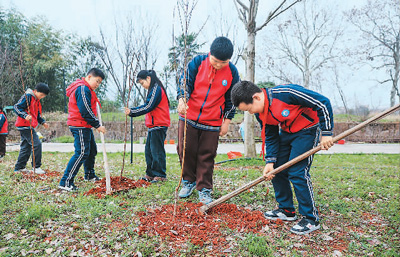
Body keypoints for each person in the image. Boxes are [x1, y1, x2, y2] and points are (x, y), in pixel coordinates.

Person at [231, 80, 334, 235]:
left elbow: (322, 102)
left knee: (297, 172)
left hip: (307, 130)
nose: (251, 113)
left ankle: (310, 218)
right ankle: (286, 209)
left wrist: (326, 133)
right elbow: (271, 135)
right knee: (277, 169)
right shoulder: (261, 113)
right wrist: (270, 161)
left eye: (249, 109)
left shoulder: (286, 93)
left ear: (256, 98)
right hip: (287, 132)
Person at [177, 36, 240, 204]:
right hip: (189, 116)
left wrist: (226, 122)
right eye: (215, 61)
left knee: (207, 154)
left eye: (223, 62)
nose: (218, 65)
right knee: (185, 150)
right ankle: (188, 181)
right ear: (209, 53)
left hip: (212, 120)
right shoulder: (197, 62)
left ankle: (204, 188)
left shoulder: (233, 73)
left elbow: (231, 100)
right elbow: (185, 83)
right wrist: (182, 99)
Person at [59, 68, 106, 191]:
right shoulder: (82, 89)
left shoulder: (86, 89)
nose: (98, 84)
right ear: (89, 77)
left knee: (91, 151)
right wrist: (97, 125)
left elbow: (88, 105)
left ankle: (89, 175)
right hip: (79, 124)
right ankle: (65, 182)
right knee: (82, 152)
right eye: (97, 81)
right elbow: (85, 110)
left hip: (84, 125)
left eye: (100, 83)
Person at [124, 70, 170, 183]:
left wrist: (132, 112)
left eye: (142, 83)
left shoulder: (156, 89)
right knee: (149, 151)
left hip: (159, 124)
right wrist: (132, 111)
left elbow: (148, 106)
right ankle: (150, 174)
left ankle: (160, 174)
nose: (143, 86)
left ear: (148, 78)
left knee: (157, 151)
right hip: (153, 125)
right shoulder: (152, 89)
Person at [13, 83, 50, 174]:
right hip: (24, 125)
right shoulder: (28, 96)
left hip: (29, 125)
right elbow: (16, 107)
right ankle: (36, 167)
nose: (41, 97)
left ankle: (19, 167)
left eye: (43, 96)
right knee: (36, 143)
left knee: (26, 147)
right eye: (41, 95)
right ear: (35, 91)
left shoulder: (36, 100)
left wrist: (43, 122)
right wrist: (24, 115)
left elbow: (36, 115)